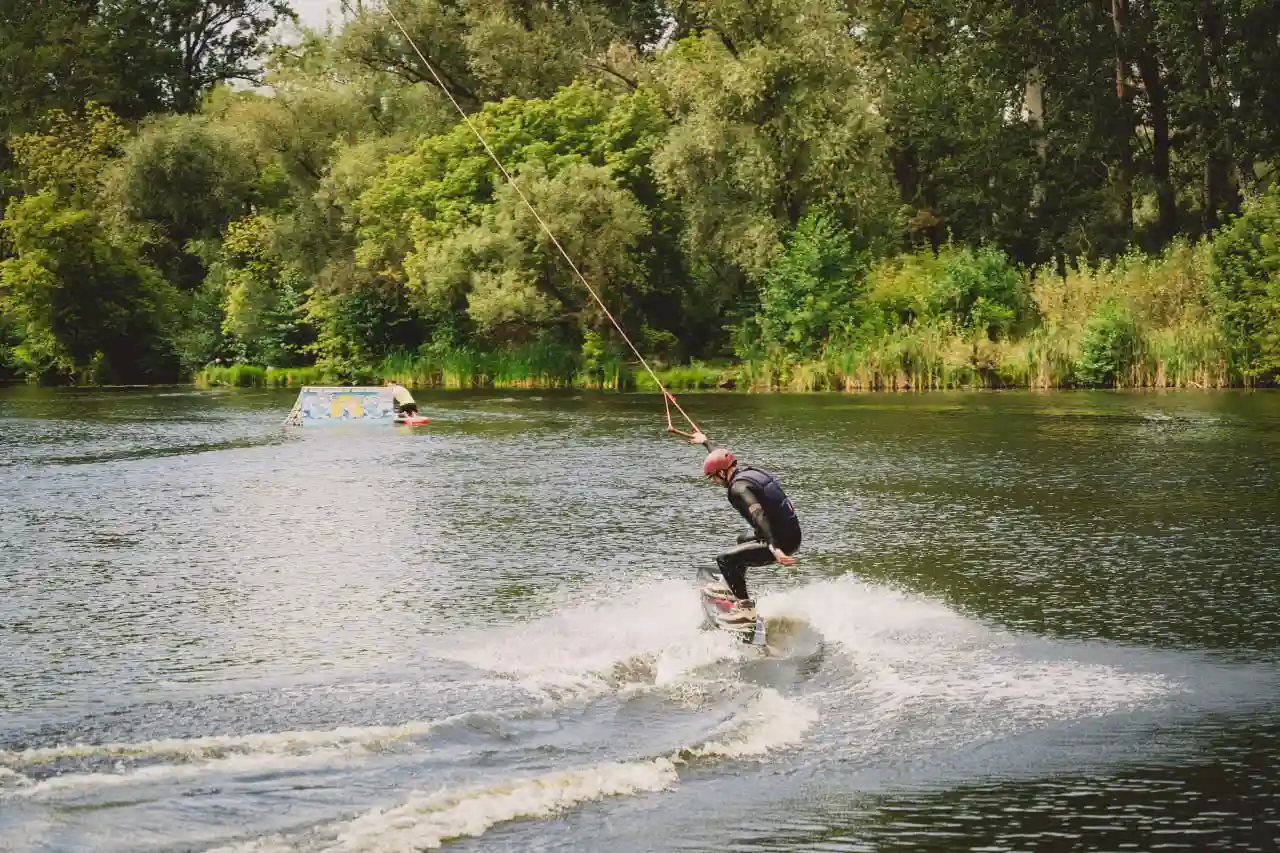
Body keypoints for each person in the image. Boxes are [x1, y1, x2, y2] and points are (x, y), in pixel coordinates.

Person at [689, 430, 800, 623]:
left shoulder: (738, 489)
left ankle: (745, 608)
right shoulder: (747, 473)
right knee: (742, 540)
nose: (714, 482)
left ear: (723, 473)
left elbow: (758, 515)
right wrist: (705, 442)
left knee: (725, 560)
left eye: (714, 477)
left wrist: (775, 549)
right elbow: (721, 456)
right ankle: (732, 587)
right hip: (791, 533)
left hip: (781, 542)